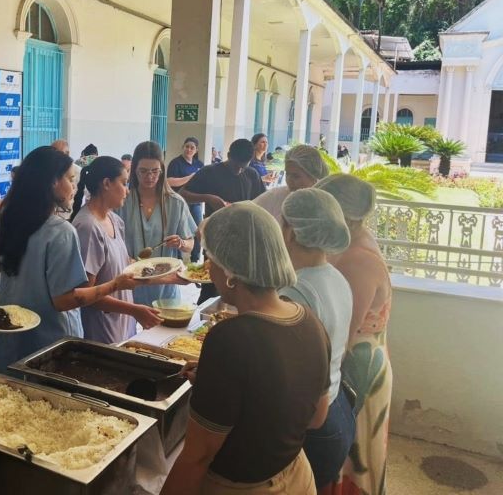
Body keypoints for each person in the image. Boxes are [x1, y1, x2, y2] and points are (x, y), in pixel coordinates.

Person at [161, 202, 331, 495]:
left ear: (231, 273)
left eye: (211, 259)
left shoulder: (230, 339)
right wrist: (223, 384)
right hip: (297, 476)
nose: (208, 267)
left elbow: (198, 456)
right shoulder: (308, 319)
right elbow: (316, 417)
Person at [0, 146, 143, 374]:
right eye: (70, 180)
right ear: (53, 182)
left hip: (12, 343)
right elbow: (65, 300)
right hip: (49, 350)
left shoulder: (13, 222)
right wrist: (115, 285)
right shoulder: (60, 232)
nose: (74, 187)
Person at [316, 174, 393, 495]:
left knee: (351, 457)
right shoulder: (351, 243)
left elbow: (343, 332)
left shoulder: (358, 260)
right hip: (354, 361)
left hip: (357, 368)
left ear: (343, 215)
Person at [280, 189, 356, 493]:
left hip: (314, 422)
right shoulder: (334, 276)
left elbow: (286, 374)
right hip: (339, 408)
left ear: (291, 232)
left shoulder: (296, 292)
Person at [71, 156, 162, 343]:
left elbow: (122, 265)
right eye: (124, 183)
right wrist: (133, 310)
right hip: (102, 329)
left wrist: (168, 276)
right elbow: (86, 293)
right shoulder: (88, 227)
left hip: (123, 324)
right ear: (106, 184)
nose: (127, 191)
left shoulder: (114, 219)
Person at [181, 139, 266, 303]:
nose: (239, 170)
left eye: (243, 166)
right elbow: (183, 194)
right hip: (215, 238)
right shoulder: (210, 172)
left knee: (239, 287)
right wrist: (208, 198)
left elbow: (262, 202)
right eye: (236, 166)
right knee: (211, 287)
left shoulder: (252, 174)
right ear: (228, 155)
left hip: (243, 240)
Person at [119, 141, 196, 306]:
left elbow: (190, 245)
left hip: (166, 288)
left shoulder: (175, 203)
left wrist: (181, 243)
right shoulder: (123, 202)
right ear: (134, 170)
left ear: (162, 170)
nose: (149, 177)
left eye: (155, 171)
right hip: (130, 287)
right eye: (143, 171)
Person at [253, 144, 331, 224]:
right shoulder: (275, 196)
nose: (289, 180)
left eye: (296, 176)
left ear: (313, 178)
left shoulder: (325, 206)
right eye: (287, 174)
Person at [166, 137, 205, 262]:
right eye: (187, 146)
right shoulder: (175, 163)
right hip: (179, 203)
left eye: (192, 147)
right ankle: (178, 259)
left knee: (197, 231)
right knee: (178, 230)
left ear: (196, 150)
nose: (189, 149)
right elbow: (170, 181)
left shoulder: (199, 164)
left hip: (195, 202)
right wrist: (190, 177)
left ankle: (195, 259)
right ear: (183, 147)